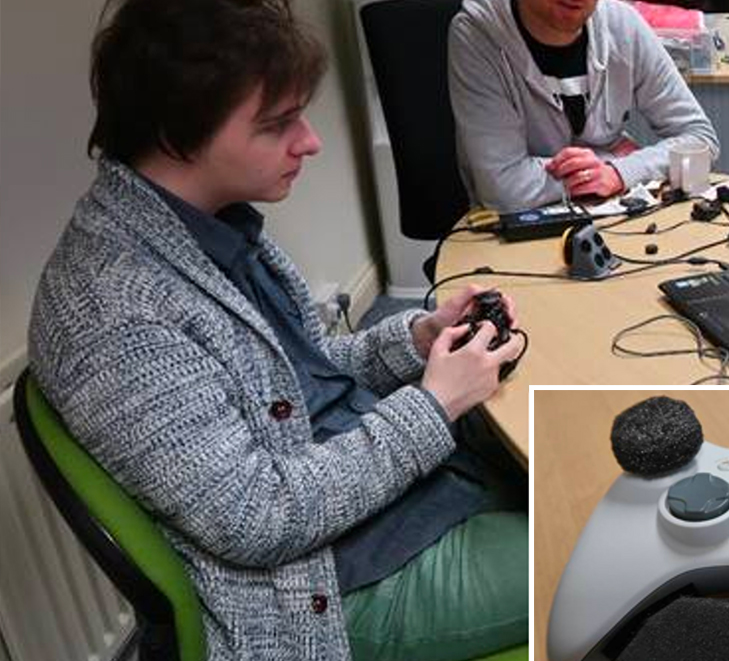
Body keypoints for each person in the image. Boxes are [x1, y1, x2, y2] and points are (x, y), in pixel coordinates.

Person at [27, 0, 527, 660]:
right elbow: (257, 517)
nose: (310, 142)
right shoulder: (114, 313)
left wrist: (416, 341)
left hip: (383, 500)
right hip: (321, 590)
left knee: (585, 451)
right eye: (279, 123)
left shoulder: (212, 223)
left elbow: (301, 379)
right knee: (603, 540)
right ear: (181, 132)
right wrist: (433, 404)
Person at [448, 0, 720, 213]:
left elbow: (701, 140)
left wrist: (618, 174)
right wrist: (611, 160)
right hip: (513, 232)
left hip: (613, 219)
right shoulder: (477, 34)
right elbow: (503, 189)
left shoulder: (623, 26)